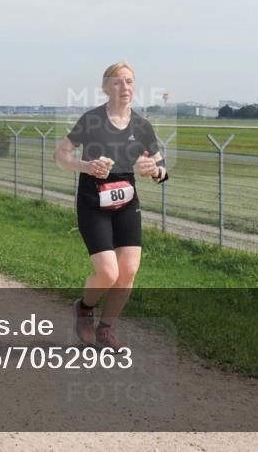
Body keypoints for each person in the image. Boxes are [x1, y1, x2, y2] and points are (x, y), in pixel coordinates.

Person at [53, 62, 168, 350]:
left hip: (127, 200)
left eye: (129, 82)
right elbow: (60, 154)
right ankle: (84, 308)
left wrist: (153, 170)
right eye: (117, 82)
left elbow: (162, 170)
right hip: (93, 200)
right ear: (105, 87)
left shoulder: (142, 126)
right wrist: (86, 166)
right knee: (108, 273)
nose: (124, 87)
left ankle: (106, 329)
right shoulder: (91, 120)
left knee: (128, 270)